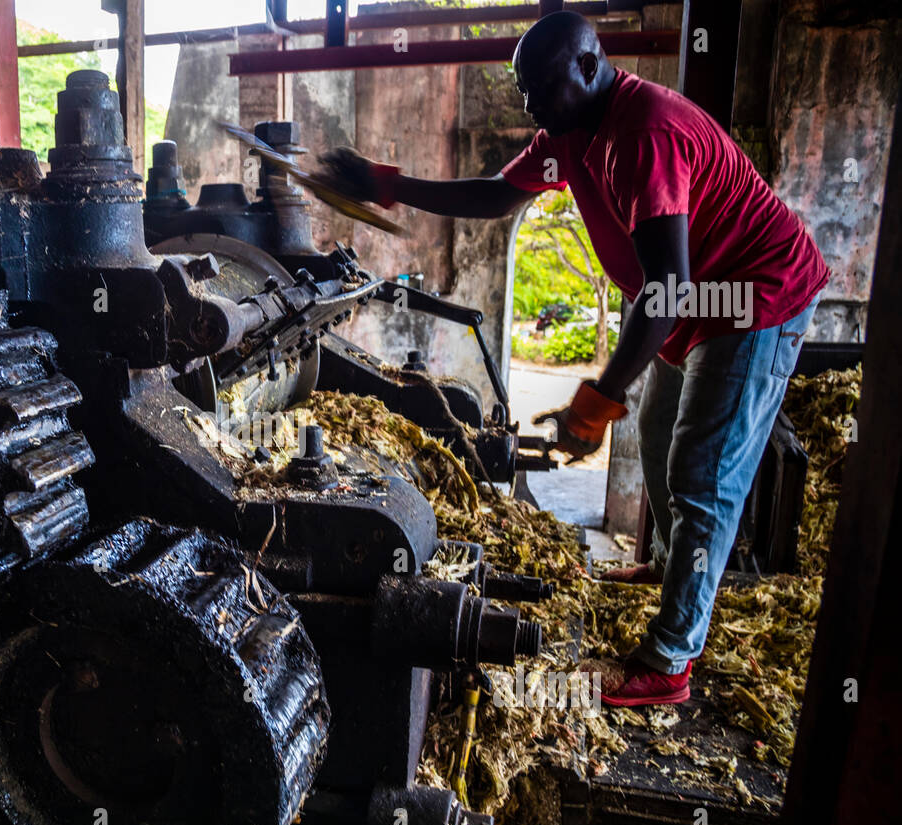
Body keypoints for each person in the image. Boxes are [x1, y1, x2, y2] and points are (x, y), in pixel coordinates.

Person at [318, 11, 829, 707]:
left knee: (703, 475)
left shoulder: (643, 131)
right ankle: (669, 569)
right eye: (523, 91)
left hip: (754, 297)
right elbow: (498, 195)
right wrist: (389, 184)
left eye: (539, 88)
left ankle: (670, 663)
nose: (529, 106)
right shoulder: (569, 136)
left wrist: (597, 399)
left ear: (589, 68)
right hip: (695, 298)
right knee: (656, 436)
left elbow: (667, 290)